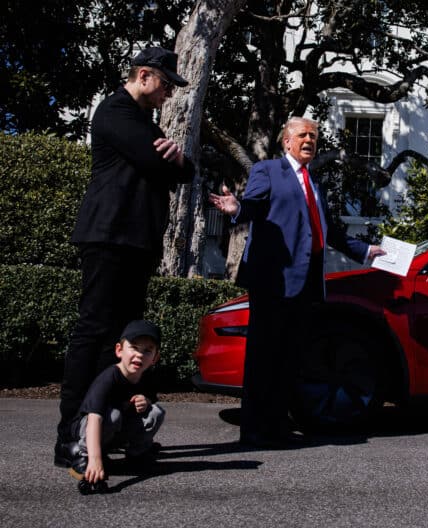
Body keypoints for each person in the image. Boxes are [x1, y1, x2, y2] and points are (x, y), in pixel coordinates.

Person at [208, 116, 385, 448]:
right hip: (275, 280)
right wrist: (236, 208)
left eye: (314, 137)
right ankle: (255, 430)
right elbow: (255, 205)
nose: (309, 140)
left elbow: (328, 229)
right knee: (264, 358)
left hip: (305, 284)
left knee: (290, 358)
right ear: (286, 141)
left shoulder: (313, 183)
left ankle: (277, 426)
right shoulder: (269, 171)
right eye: (303, 135)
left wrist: (365, 250)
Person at [55, 47, 194, 467]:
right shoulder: (115, 112)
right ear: (144, 75)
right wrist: (174, 162)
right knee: (93, 331)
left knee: (120, 340)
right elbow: (158, 165)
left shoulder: (144, 122)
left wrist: (180, 161)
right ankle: (69, 438)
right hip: (109, 237)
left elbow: (184, 171)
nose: (169, 93)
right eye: (166, 84)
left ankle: (104, 429)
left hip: (137, 241)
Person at [64, 320, 165, 491]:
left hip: (116, 430)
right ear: (119, 350)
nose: (140, 355)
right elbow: (94, 417)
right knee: (113, 414)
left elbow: (149, 402)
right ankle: (85, 456)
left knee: (155, 411)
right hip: (91, 429)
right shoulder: (109, 377)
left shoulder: (146, 376)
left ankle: (136, 455)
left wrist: (145, 401)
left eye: (147, 350)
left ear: (155, 358)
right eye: (134, 347)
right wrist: (96, 460)